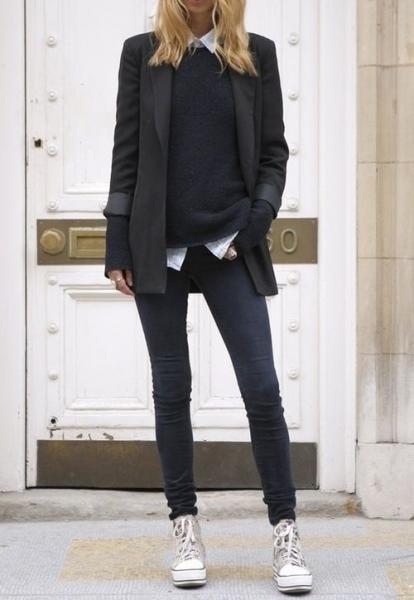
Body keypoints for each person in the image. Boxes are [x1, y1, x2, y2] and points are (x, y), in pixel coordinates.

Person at [103, 0, 313, 594]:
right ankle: (185, 527)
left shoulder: (254, 54)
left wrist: (255, 222)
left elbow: (272, 153)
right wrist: (118, 244)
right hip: (160, 247)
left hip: (228, 244)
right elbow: (126, 153)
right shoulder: (142, 55)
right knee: (172, 391)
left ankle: (286, 531)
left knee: (262, 390)